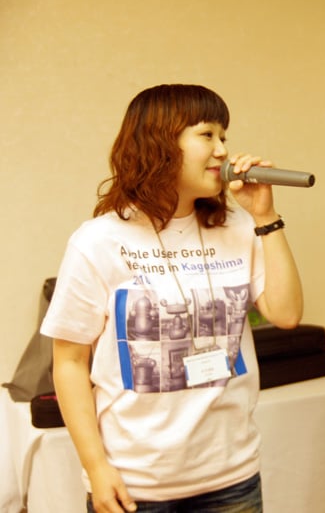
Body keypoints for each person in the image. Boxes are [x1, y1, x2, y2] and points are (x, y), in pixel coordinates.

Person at [41, 84, 303, 513]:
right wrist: (96, 466)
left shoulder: (238, 228)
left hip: (231, 478)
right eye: (207, 135)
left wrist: (266, 217)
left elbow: (287, 314)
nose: (222, 150)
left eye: (224, 136)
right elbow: (69, 362)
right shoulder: (99, 240)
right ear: (159, 143)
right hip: (134, 484)